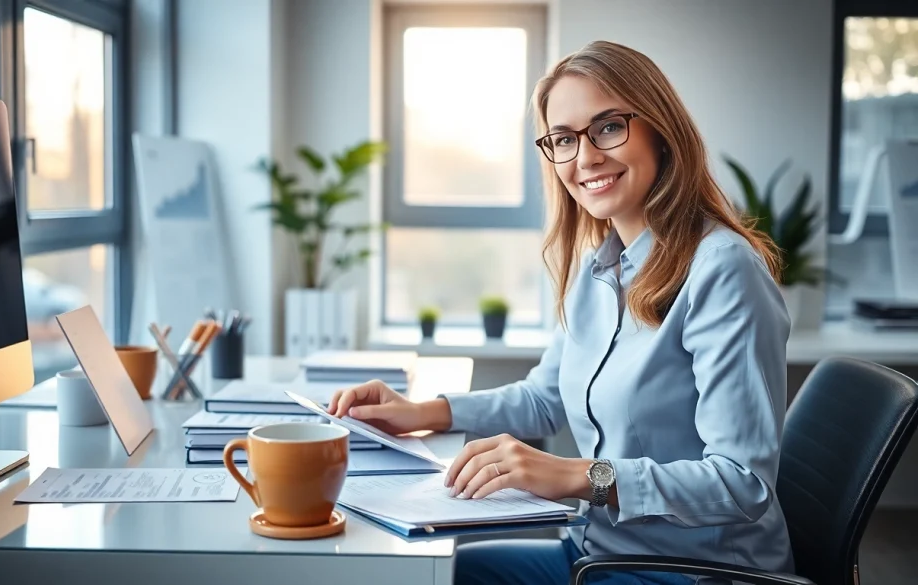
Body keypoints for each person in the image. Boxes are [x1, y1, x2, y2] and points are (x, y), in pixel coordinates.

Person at [329, 40, 793, 585]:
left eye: (608, 127)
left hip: (692, 572)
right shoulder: (598, 268)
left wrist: (579, 476)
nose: (585, 157)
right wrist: (421, 412)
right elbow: (544, 398)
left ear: (660, 129)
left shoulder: (722, 270)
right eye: (564, 139)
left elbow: (741, 483)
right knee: (427, 574)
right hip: (596, 551)